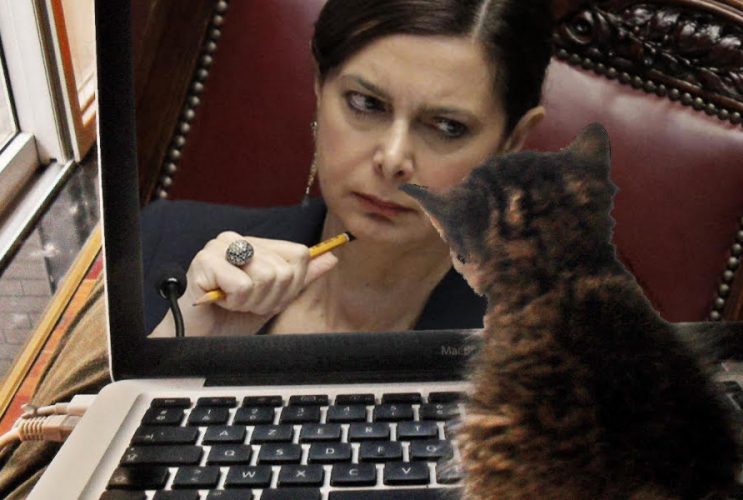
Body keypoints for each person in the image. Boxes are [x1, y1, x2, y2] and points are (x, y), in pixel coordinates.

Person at [146, 0, 555, 337]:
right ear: (319, 86)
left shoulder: (552, 347)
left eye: (447, 126)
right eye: (366, 103)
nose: (392, 159)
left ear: (512, 141)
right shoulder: (162, 248)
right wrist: (176, 361)